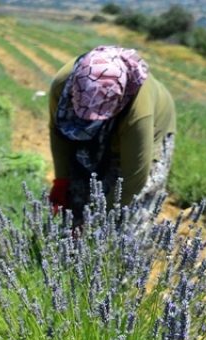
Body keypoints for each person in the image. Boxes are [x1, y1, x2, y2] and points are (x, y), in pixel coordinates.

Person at [47, 46, 176, 228]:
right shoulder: (62, 85)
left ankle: (129, 249)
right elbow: (57, 131)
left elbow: (135, 178)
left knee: (132, 212)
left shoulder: (138, 114)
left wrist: (94, 224)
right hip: (97, 122)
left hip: (151, 129)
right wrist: (61, 180)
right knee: (79, 191)